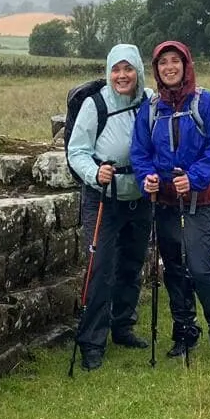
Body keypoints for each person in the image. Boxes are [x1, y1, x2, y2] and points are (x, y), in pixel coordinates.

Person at [131, 39, 210, 362]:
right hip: (166, 202)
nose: (169, 67)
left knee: (200, 268)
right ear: (156, 69)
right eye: (163, 63)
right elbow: (141, 152)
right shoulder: (152, 108)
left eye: (175, 61)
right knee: (174, 269)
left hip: (201, 201)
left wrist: (192, 178)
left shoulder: (204, 102)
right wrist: (147, 178)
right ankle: (185, 331)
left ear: (186, 65)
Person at [66, 43, 153, 371]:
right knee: (100, 268)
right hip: (103, 197)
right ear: (108, 72)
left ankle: (123, 326)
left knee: (132, 263)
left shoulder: (149, 99)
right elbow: (77, 151)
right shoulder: (95, 104)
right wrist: (94, 172)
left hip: (140, 196)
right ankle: (91, 341)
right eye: (116, 69)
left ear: (138, 71)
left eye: (128, 68)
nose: (122, 75)